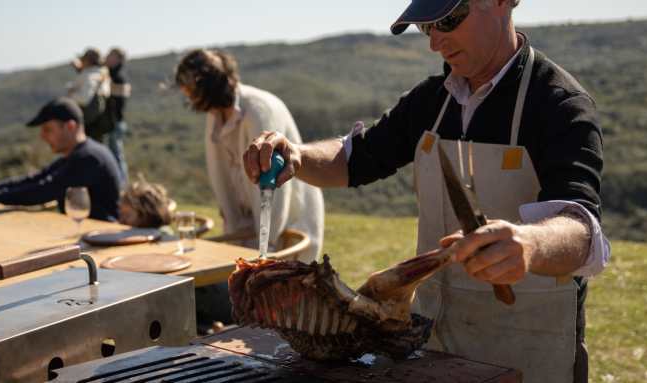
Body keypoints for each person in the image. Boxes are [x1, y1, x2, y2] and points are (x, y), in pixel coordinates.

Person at [242, 0, 609, 382]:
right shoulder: (432, 101)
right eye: (426, 28)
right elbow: (355, 158)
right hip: (434, 345)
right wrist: (298, 155)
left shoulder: (558, 104)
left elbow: (581, 229)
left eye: (448, 20)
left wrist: (530, 245)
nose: (435, 42)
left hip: (527, 348)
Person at [175, 48, 325, 333]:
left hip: (286, 226)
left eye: (189, 89)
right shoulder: (215, 116)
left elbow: (274, 189)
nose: (187, 96)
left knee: (276, 312)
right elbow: (222, 178)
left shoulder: (259, 110)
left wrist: (263, 254)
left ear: (205, 85)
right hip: (247, 230)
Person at [0, 98, 122, 222]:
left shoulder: (89, 157)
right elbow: (34, 179)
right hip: (85, 236)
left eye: (48, 129)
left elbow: (43, 190)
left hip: (100, 240)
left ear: (70, 126)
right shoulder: (79, 154)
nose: (42, 136)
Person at [104, 47, 132, 185]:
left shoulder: (118, 77)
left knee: (116, 155)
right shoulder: (111, 75)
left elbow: (120, 94)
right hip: (112, 122)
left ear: (118, 59)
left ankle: (122, 185)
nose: (107, 57)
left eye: (111, 55)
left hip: (115, 122)